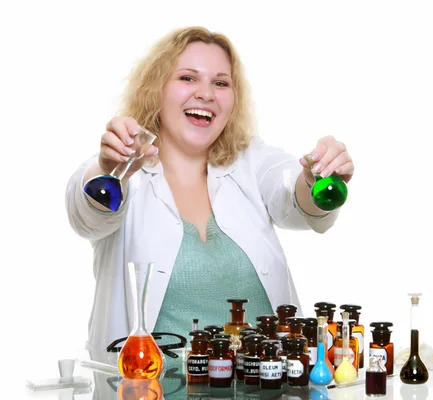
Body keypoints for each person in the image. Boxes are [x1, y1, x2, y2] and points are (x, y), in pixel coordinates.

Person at [65, 26, 354, 364]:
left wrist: (316, 175)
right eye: (188, 78)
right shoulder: (125, 174)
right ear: (155, 90)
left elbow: (294, 195)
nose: (206, 94)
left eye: (220, 83)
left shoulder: (252, 161)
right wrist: (110, 169)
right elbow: (87, 215)